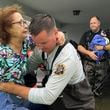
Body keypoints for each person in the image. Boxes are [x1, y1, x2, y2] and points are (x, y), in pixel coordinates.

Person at [0, 13, 95, 110]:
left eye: (44, 42)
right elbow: (28, 67)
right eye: (36, 43)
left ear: (55, 33)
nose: (40, 47)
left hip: (77, 104)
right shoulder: (38, 48)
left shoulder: (66, 57)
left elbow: (48, 96)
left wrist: (9, 87)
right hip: (58, 100)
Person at [0, 4, 34, 110]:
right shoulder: (2, 52)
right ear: (8, 28)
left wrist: (59, 34)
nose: (25, 25)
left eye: (25, 22)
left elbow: (46, 35)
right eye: (20, 22)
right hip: (4, 96)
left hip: (20, 94)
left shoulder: (26, 42)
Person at [78, 16, 110, 96]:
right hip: (89, 63)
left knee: (100, 82)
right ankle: (89, 97)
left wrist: (103, 47)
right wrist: (89, 53)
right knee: (88, 82)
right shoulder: (86, 34)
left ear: (99, 23)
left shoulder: (106, 33)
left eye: (94, 22)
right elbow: (79, 47)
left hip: (102, 63)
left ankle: (97, 95)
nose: (92, 24)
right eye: (91, 23)